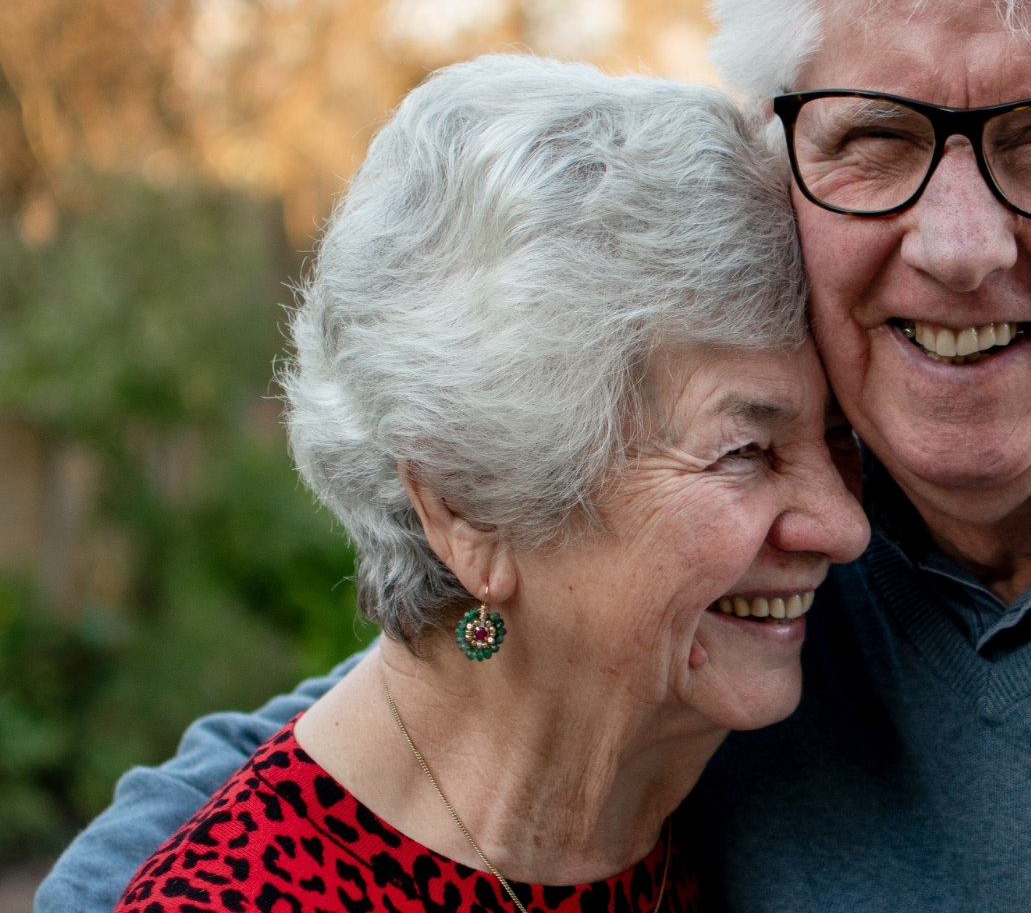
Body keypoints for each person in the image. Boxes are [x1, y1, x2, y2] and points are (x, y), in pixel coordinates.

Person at [38, 0, 1031, 910]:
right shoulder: (766, 571)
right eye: (877, 135)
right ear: (789, 150)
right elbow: (428, 708)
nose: (957, 245)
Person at [106, 54, 868, 913]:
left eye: (840, 440)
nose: (845, 527)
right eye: (745, 452)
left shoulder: (721, 800)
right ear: (469, 506)